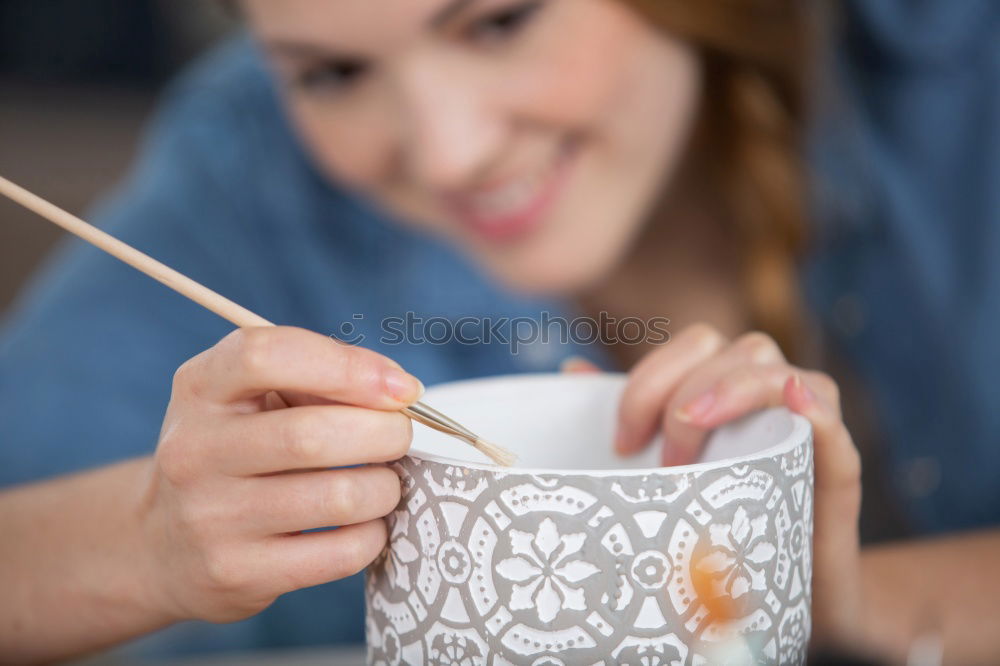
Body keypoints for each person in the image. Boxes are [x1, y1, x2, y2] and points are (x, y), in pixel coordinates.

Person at [0, 0, 997, 662]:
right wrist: (143, 537)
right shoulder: (250, 183)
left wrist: (852, 614)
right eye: (333, 74)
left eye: (498, 20)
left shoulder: (956, 65)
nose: (450, 151)